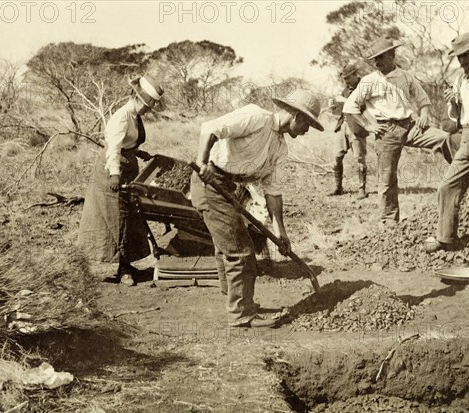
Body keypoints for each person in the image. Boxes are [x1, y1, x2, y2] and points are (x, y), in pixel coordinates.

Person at [190, 89, 324, 328]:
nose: (305, 131)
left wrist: (281, 233)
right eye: (307, 125)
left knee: (228, 246)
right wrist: (202, 163)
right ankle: (241, 315)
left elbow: (273, 193)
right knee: (240, 250)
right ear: (297, 116)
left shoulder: (280, 148)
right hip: (209, 181)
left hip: (230, 188)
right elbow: (210, 128)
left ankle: (237, 301)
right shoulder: (256, 117)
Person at [343, 36, 453, 225]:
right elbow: (350, 107)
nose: (377, 63)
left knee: (445, 139)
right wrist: (368, 125)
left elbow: (423, 100)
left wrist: (424, 114)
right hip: (386, 131)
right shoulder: (369, 81)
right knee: (387, 179)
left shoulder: (406, 76)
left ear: (392, 56)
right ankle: (389, 220)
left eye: (381, 58)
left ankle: (463, 175)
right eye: (375, 59)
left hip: (410, 126)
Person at [78, 75, 164, 286]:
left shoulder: (135, 116)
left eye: (149, 106)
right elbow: (114, 148)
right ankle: (122, 269)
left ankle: (126, 264)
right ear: (134, 97)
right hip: (111, 171)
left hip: (128, 166)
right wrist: (115, 174)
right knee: (116, 218)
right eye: (145, 104)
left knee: (130, 217)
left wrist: (139, 153)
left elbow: (127, 143)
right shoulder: (122, 116)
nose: (147, 109)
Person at [424, 32, 469, 266]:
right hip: (466, 135)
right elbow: (455, 117)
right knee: (448, 185)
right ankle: (446, 237)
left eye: (466, 56)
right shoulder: (459, 80)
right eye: (459, 58)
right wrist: (454, 102)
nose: (463, 62)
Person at [329, 63, 368, 198]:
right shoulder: (346, 89)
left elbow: (362, 106)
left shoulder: (364, 87)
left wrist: (344, 100)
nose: (346, 82)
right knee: (336, 158)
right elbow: (341, 110)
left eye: (348, 78)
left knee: (360, 160)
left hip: (357, 127)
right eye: (344, 79)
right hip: (342, 125)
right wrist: (333, 106)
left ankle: (362, 189)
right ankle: (338, 187)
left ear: (355, 75)